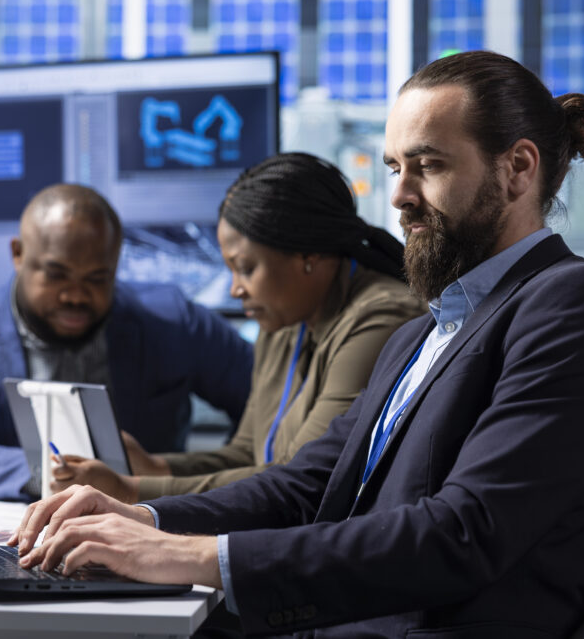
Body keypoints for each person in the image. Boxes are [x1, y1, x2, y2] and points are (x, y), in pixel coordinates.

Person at [10, 51, 584, 638]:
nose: (400, 196)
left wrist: (194, 557)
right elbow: (307, 484)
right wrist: (145, 517)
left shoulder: (578, 306)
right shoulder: (423, 332)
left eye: (428, 166)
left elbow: (464, 533)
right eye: (394, 168)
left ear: (518, 168)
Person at [50, 153, 424, 503]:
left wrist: (134, 490)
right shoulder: (284, 318)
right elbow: (248, 452)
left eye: (245, 268)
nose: (235, 289)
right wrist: (156, 467)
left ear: (309, 255)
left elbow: (305, 479)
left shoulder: (380, 322)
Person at [0, 183, 253, 501]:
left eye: (96, 278)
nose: (75, 296)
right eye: (56, 275)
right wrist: (54, 472)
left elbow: (271, 411)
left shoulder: (173, 321)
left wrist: (206, 491)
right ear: (18, 254)